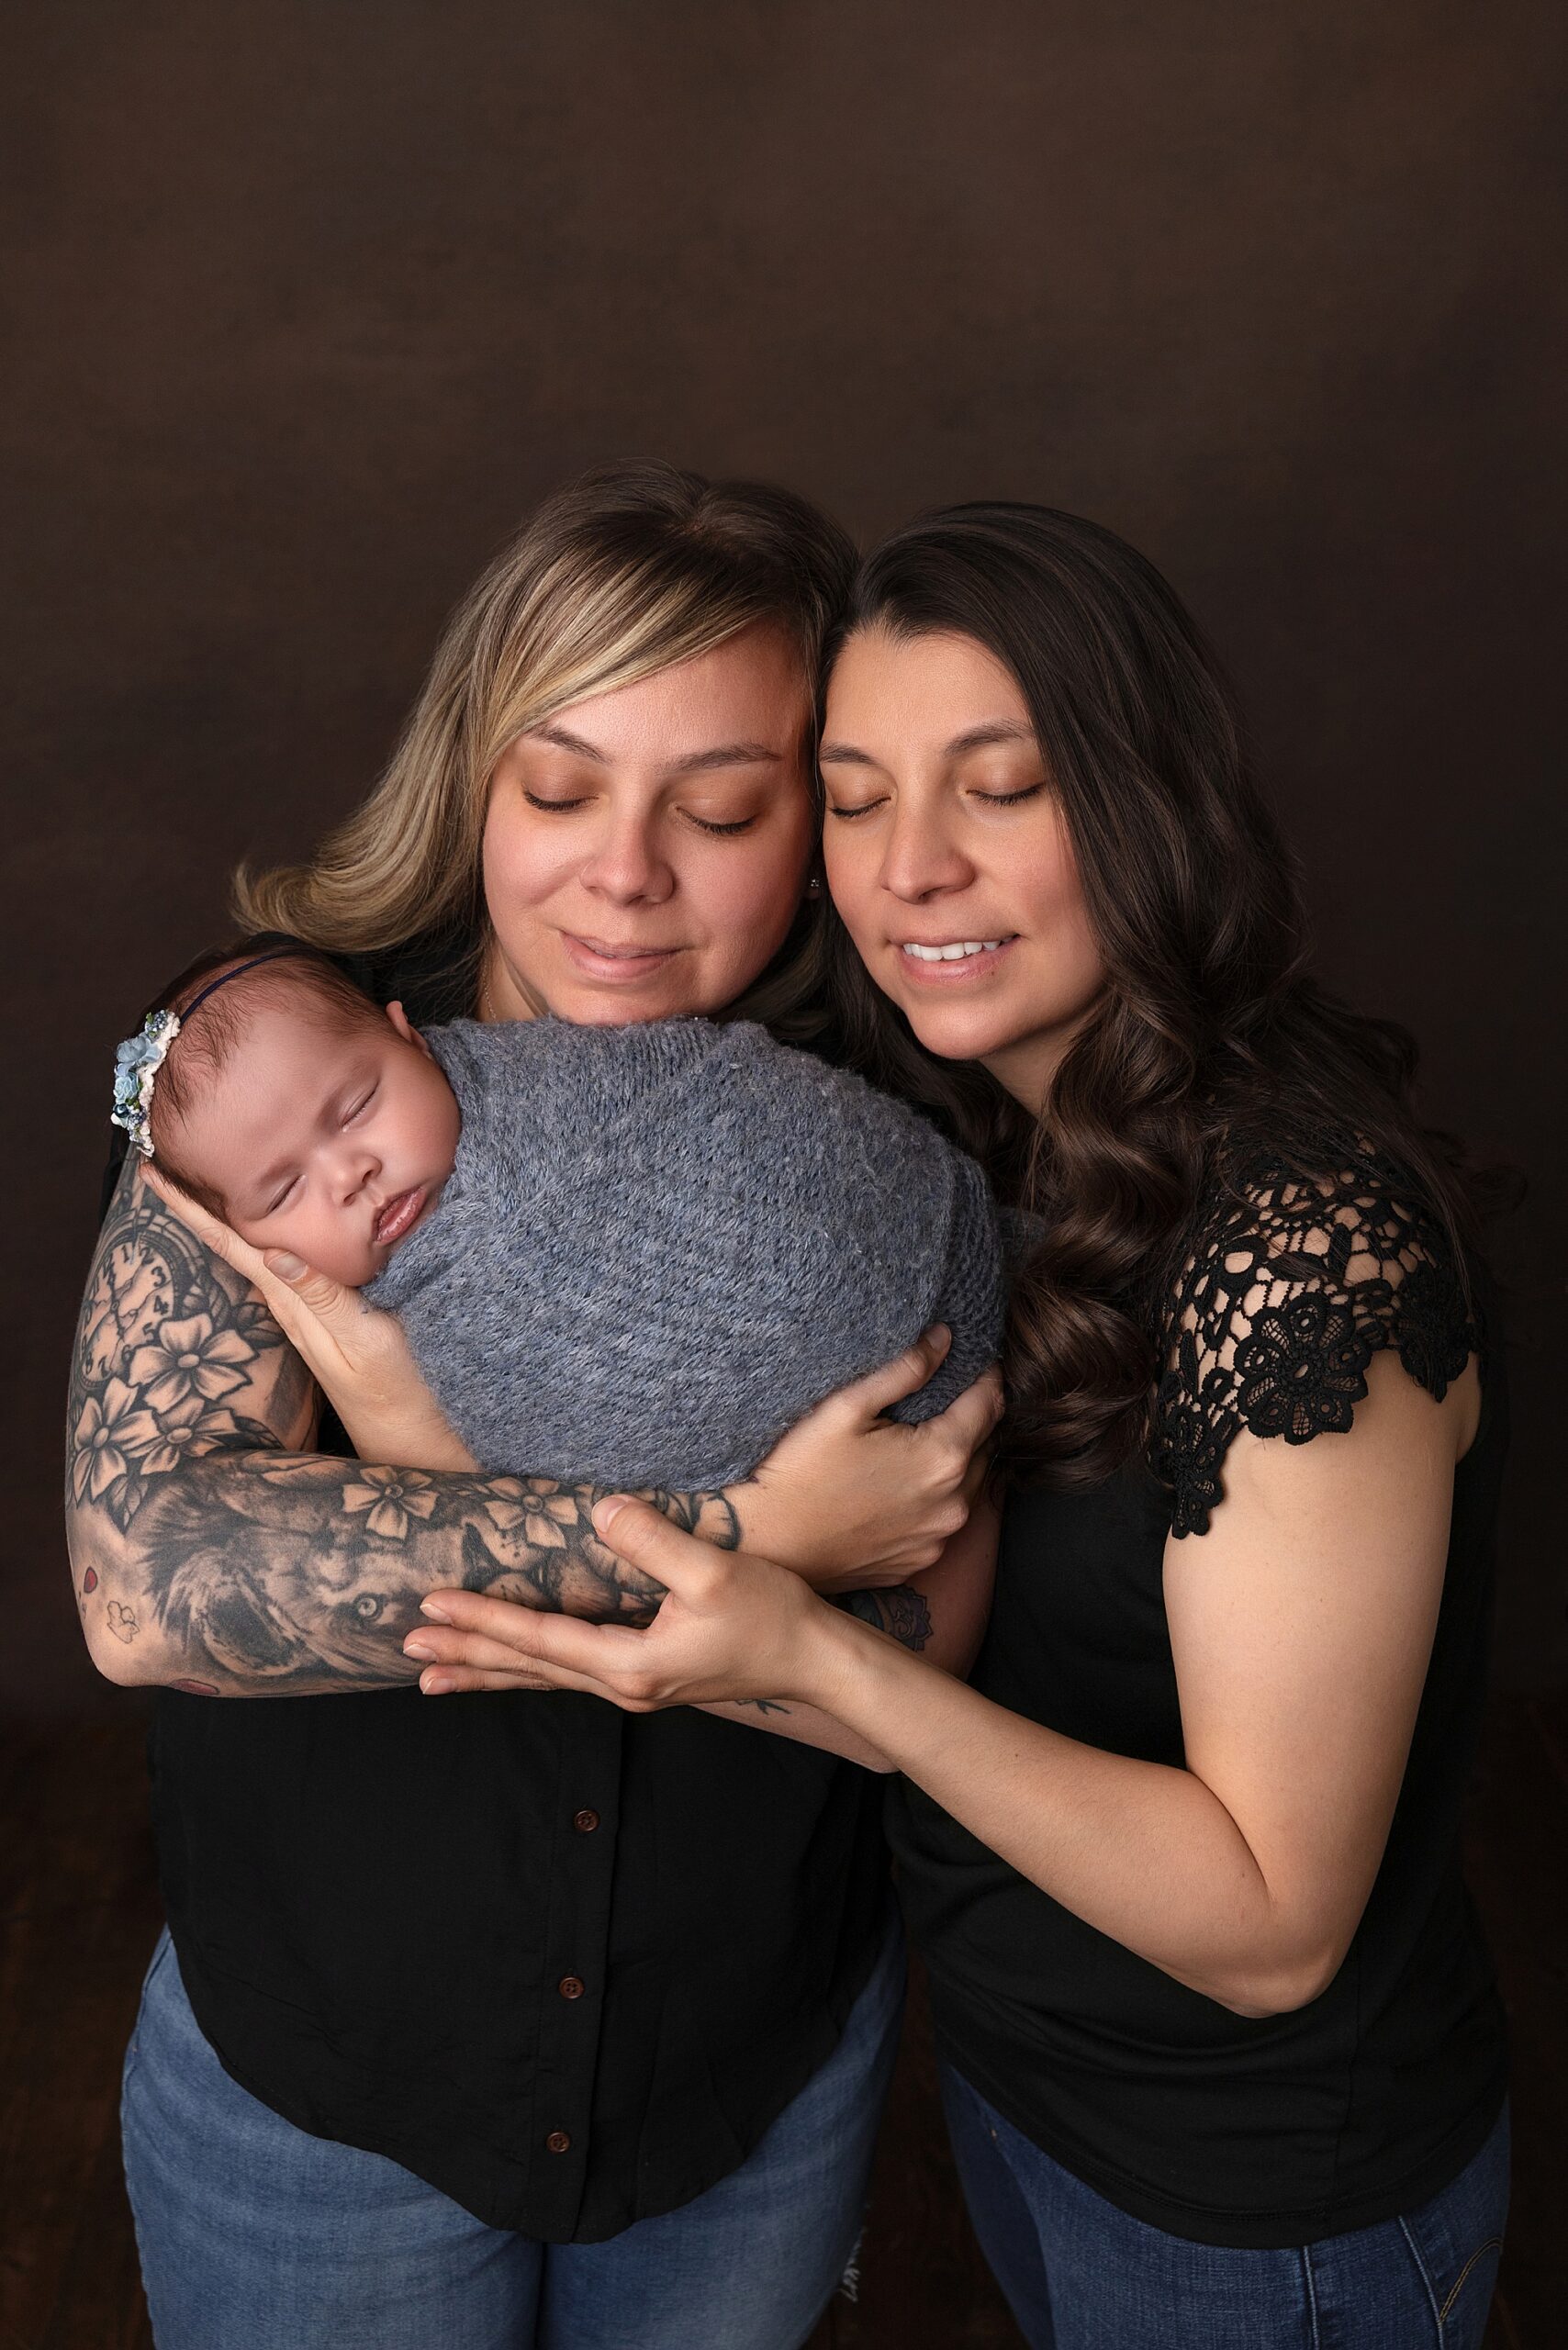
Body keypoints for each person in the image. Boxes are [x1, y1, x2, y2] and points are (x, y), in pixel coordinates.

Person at [416, 504, 1513, 2350]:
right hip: (1027, 2086)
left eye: (995, 787)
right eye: (848, 795)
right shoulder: (966, 1143)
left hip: (1264, 2201)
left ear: (1144, 801)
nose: (910, 864)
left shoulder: (1298, 1244)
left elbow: (1268, 1921)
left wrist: (816, 1661)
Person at [69, 464, 1001, 2350]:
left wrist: (435, 1477)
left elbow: (921, 1662)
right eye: (560, 789)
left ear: (816, 820)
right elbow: (147, 1576)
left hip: (739, 2081)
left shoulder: (891, 1147)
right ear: (474, 780)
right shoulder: (293, 1078)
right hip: (331, 2093)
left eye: (721, 809)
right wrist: (748, 1545)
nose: (623, 872)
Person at [107, 938, 1002, 1486]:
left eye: (354, 1108)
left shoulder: (556, 1101)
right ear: (244, 1242)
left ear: (408, 1034)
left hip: (932, 1302)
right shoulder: (296, 1306)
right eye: (284, 1190)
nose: (350, 1173)